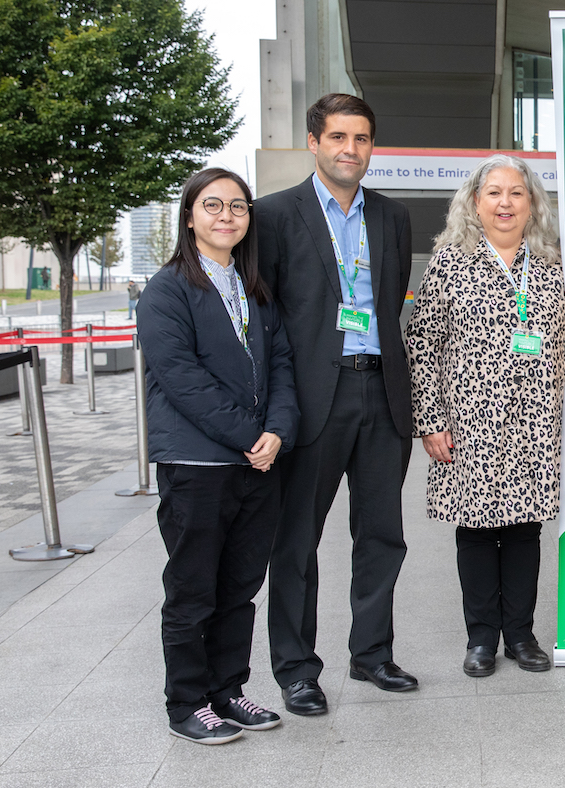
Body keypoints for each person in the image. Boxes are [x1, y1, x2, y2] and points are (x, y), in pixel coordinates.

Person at [257, 93, 418, 715]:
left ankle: (372, 653)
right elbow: (267, 318)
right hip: (309, 397)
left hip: (381, 392)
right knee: (296, 540)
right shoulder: (274, 215)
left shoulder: (392, 216)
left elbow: (387, 305)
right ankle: (297, 670)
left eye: (362, 139)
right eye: (338, 138)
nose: (351, 149)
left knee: (382, 534)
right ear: (314, 142)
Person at [138, 167, 298, 744]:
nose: (226, 215)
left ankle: (227, 691)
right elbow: (181, 378)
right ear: (189, 217)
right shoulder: (166, 289)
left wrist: (277, 430)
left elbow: (281, 364)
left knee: (239, 587)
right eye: (213, 205)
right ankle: (186, 703)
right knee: (193, 589)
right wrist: (249, 437)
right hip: (197, 465)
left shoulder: (254, 289)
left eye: (237, 205)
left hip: (256, 464)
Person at [405, 154, 565, 678]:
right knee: (475, 531)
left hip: (534, 422)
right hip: (468, 424)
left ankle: (520, 634)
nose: (505, 203)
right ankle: (481, 639)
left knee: (524, 530)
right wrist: (430, 420)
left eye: (516, 193)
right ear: (475, 202)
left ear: (532, 203)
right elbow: (423, 344)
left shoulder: (550, 267)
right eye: (494, 192)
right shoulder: (450, 262)